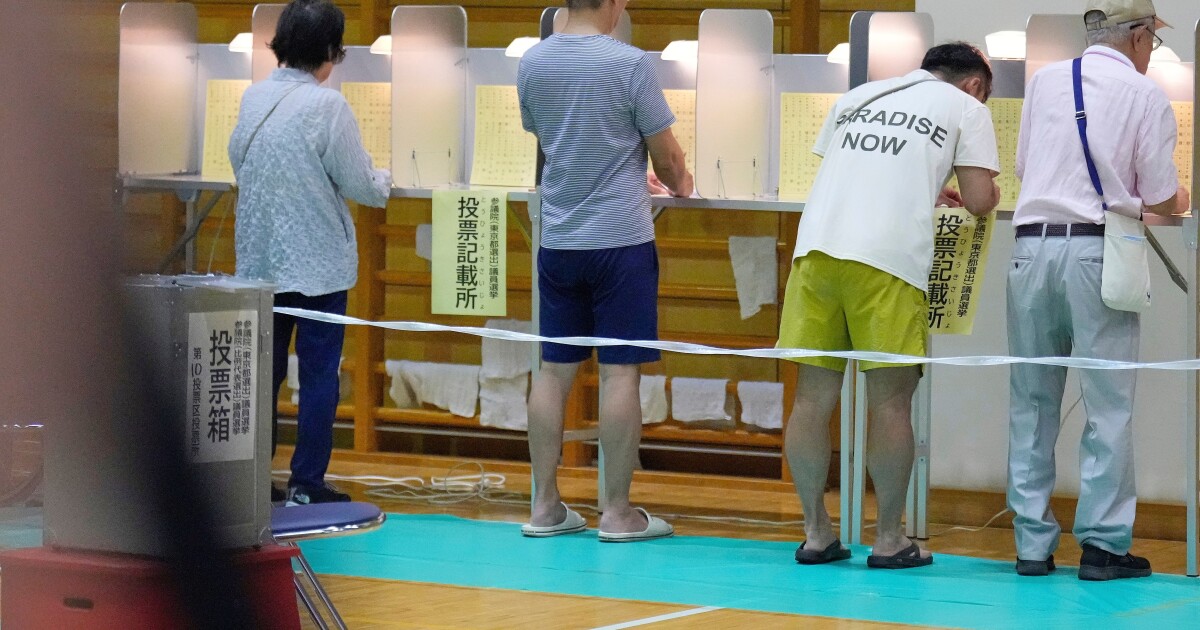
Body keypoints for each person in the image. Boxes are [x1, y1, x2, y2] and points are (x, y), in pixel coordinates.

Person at [777, 43, 1001, 568]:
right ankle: (890, 538)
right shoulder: (967, 108)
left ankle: (816, 533)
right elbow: (978, 197)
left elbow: (863, 171)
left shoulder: (857, 96)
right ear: (973, 85)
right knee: (891, 403)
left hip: (815, 253)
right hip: (888, 262)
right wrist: (973, 189)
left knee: (812, 400)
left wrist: (929, 185)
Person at [1006, 0, 1189, 580]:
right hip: (1098, 252)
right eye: (1152, 41)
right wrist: (1176, 201)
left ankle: (1031, 546)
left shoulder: (1044, 83)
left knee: (1031, 401)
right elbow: (1161, 197)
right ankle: (1103, 546)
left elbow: (1023, 167)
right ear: (1137, 36)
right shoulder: (1145, 96)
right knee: (1107, 405)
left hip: (1030, 249)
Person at [516, 0, 693, 541]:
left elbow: (546, 137)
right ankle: (616, 512)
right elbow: (665, 157)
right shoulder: (630, 63)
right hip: (620, 240)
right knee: (621, 372)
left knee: (552, 371)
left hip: (560, 236)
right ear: (614, 4)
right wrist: (681, 184)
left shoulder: (533, 62)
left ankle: (544, 505)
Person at [229, 0, 391, 505]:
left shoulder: (253, 99)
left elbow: (238, 159)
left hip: (259, 263)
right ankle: (307, 482)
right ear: (328, 50)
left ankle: (256, 480)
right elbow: (363, 186)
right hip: (318, 265)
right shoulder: (327, 107)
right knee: (319, 374)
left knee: (262, 376)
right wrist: (384, 178)